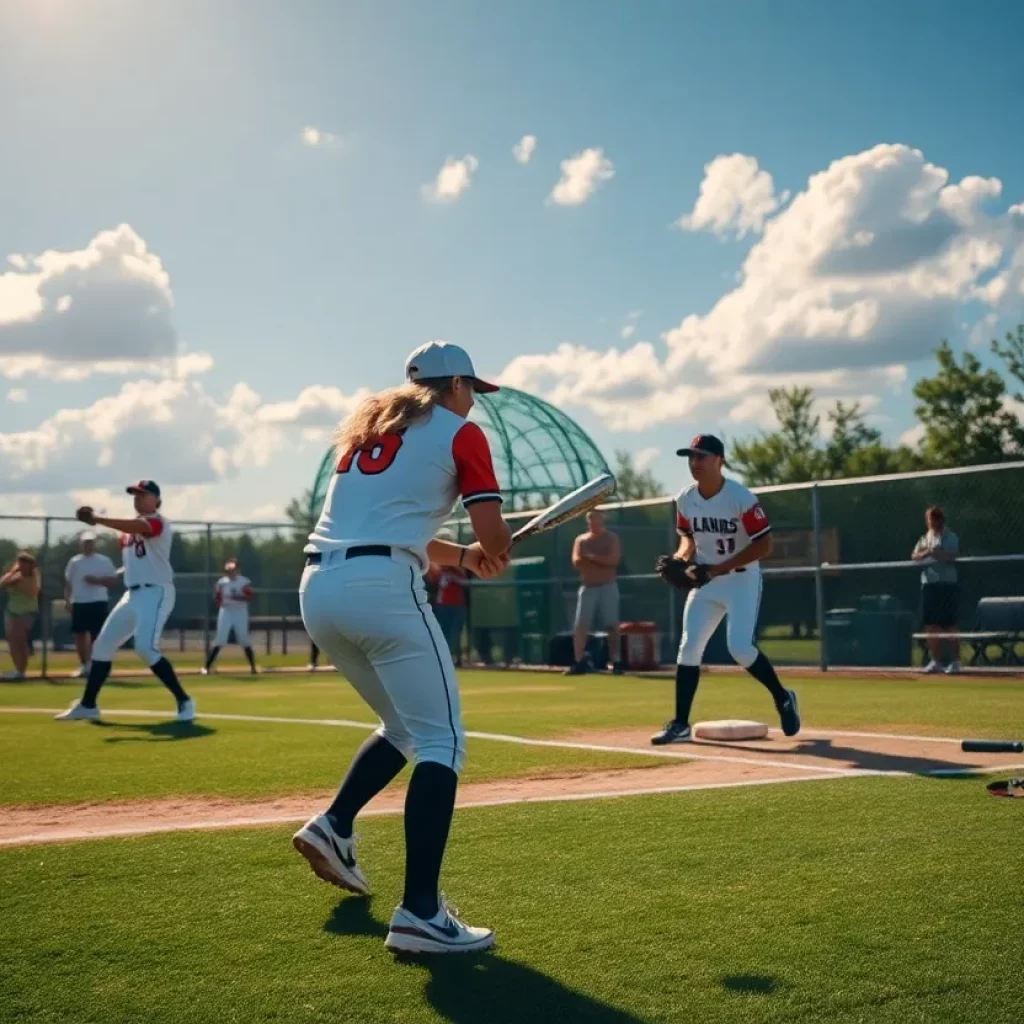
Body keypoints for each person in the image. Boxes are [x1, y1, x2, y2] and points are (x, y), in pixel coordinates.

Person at [292, 340, 510, 956]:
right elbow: (493, 533)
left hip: (320, 589)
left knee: (404, 728)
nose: (475, 403)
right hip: (382, 588)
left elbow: (387, 527)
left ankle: (334, 826)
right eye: (473, 391)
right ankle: (419, 914)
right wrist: (496, 542)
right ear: (458, 385)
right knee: (443, 741)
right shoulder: (460, 433)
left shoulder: (370, 430)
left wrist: (468, 555)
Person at [652, 434, 800, 745]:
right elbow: (688, 538)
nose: (695, 463)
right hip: (707, 579)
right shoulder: (685, 499)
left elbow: (764, 544)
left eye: (701, 456)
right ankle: (680, 723)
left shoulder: (740, 498)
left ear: (720, 460)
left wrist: (716, 569)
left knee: (740, 648)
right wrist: (681, 558)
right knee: (689, 646)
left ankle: (782, 696)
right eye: (691, 457)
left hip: (741, 580)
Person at [54, 480, 195, 723]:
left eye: (144, 494)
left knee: (145, 647)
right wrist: (116, 575)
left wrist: (96, 519)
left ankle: (184, 699)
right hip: (133, 594)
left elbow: (138, 526)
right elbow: (136, 560)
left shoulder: (157, 521)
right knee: (102, 646)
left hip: (156, 592)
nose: (138, 498)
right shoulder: (128, 534)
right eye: (135, 494)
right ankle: (88, 705)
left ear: (157, 500)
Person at [566, 509, 623, 675]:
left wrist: (591, 557)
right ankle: (578, 661)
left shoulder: (611, 538)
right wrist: (598, 561)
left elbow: (612, 560)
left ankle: (615, 661)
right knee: (580, 625)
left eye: (596, 519)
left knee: (612, 624)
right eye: (591, 520)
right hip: (587, 587)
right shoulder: (581, 540)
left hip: (608, 586)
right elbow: (577, 561)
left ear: (602, 519)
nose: (593, 523)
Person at [912, 505, 960, 674]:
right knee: (931, 625)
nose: (931, 523)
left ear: (940, 520)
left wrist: (936, 554)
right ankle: (936, 661)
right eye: (929, 520)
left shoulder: (951, 536)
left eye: (933, 520)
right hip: (929, 585)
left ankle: (955, 661)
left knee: (949, 624)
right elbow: (915, 556)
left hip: (946, 585)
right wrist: (926, 553)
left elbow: (952, 555)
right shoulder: (925, 538)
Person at [63, 531, 116, 679]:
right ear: (81, 545)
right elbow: (68, 583)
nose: (88, 546)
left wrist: (97, 581)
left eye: (91, 543)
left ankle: (98, 666)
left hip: (98, 602)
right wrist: (67, 601)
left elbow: (112, 582)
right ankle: (85, 665)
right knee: (79, 636)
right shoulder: (74, 562)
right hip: (79, 602)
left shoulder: (104, 561)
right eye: (86, 543)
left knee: (97, 636)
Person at [203, 559, 258, 675]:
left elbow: (249, 596)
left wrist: (237, 598)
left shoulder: (243, 581)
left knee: (243, 638)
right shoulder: (222, 582)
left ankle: (253, 668)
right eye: (229, 570)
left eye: (233, 570)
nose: (231, 572)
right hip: (226, 610)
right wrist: (221, 601)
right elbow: (217, 598)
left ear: (237, 570)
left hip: (240, 611)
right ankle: (206, 667)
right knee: (220, 639)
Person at [1, 552, 41, 681]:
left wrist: (18, 582)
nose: (22, 565)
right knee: (12, 641)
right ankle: (17, 669)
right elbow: (2, 583)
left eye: (26, 563)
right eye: (20, 562)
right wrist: (12, 576)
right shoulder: (14, 575)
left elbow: (32, 591)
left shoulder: (33, 577)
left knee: (20, 639)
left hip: (27, 612)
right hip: (12, 610)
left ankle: (21, 670)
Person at [426, 559, 469, 667]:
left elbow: (464, 582)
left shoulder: (458, 573)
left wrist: (453, 575)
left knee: (455, 633)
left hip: (457, 606)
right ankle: (442, 657)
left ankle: (454, 657)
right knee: (442, 633)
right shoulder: (439, 573)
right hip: (442, 606)